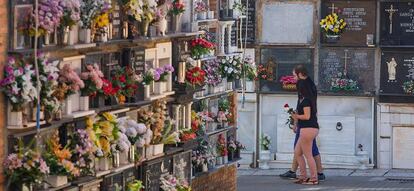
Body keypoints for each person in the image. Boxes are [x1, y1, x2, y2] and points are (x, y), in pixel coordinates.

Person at [280, 65, 325, 181]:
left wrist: (296, 118)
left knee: (307, 152)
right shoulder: (309, 86)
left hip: (306, 127)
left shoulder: (304, 94)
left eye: (294, 75)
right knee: (300, 150)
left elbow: (306, 114)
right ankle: (304, 174)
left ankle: (314, 176)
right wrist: (296, 121)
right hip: (309, 125)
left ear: (300, 74)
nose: (294, 78)